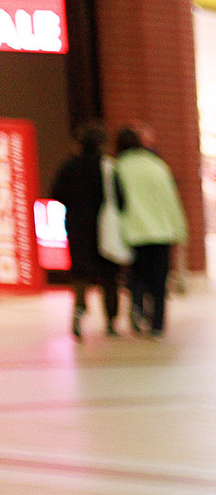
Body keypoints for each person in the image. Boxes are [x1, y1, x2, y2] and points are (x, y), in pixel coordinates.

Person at [111, 128, 187, 341]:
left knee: (138, 276)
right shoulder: (158, 166)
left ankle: (137, 309)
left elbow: (116, 202)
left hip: (133, 231)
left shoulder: (118, 167)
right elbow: (171, 201)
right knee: (160, 280)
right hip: (162, 231)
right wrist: (179, 230)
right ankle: (158, 325)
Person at [47, 124, 120, 338]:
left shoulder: (70, 165)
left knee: (80, 273)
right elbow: (119, 198)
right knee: (109, 273)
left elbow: (56, 194)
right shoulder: (108, 166)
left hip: (78, 225)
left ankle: (79, 314)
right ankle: (111, 321)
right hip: (105, 226)